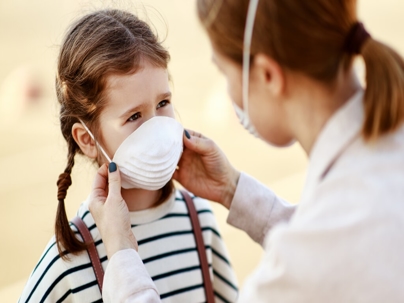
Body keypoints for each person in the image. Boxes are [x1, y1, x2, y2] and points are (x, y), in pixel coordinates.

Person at [88, 0, 404, 302]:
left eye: (226, 73)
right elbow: (340, 248)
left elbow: (323, 249)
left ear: (268, 75)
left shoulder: (312, 253)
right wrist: (232, 189)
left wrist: (120, 255)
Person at [18, 9, 238, 303]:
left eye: (163, 103)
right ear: (88, 140)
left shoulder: (199, 222)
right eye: (134, 115)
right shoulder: (64, 269)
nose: (157, 128)